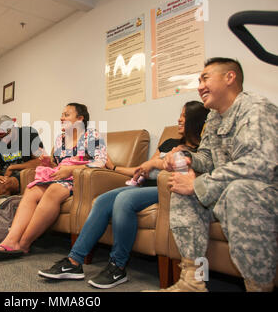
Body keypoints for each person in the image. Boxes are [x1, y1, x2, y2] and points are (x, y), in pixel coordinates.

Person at [38, 101, 209, 289]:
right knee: (103, 200)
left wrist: (162, 163)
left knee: (124, 199)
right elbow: (144, 169)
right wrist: (117, 168)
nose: (179, 119)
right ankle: (74, 262)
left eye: (184, 115)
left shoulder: (202, 152)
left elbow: (179, 172)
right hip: (145, 184)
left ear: (195, 120)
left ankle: (117, 266)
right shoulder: (169, 143)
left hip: (167, 189)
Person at [158, 57, 277, 292]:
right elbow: (208, 158)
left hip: (263, 193)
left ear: (229, 77)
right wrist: (186, 157)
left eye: (205, 78)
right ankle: (193, 281)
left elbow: (259, 164)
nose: (199, 86)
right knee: (182, 188)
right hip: (225, 192)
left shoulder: (256, 109)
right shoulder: (213, 117)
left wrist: (200, 185)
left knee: (238, 191)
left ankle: (259, 288)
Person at [0, 103, 108, 261]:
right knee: (31, 189)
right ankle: (10, 240)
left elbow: (101, 162)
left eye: (66, 114)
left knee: (53, 191)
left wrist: (70, 170)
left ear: (80, 118)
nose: (61, 117)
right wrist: (47, 163)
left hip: (80, 179)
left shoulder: (92, 136)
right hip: (60, 176)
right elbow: (57, 165)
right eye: (62, 114)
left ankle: (23, 244)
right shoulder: (61, 139)